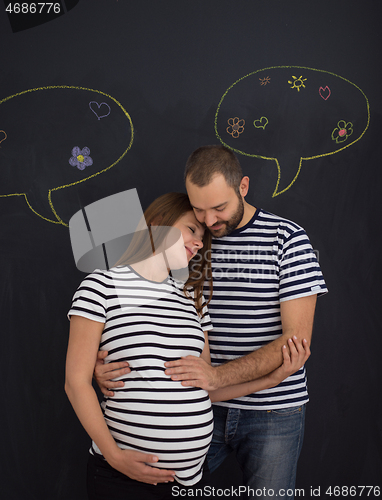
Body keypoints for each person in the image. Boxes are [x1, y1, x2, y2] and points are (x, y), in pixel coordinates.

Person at [65, 191, 310, 500]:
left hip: (188, 483)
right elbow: (75, 382)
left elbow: (206, 385)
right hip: (121, 475)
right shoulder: (102, 285)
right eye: (192, 229)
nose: (198, 242)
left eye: (203, 237)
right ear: (157, 224)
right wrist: (115, 456)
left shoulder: (191, 300)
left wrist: (272, 380)